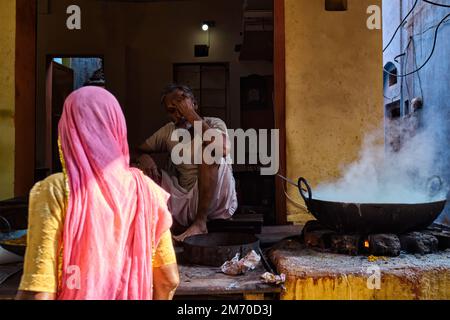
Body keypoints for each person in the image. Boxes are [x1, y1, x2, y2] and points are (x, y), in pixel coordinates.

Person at [16, 87, 179, 300]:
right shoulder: (146, 191)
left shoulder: (56, 191)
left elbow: (39, 292)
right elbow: (168, 280)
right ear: (117, 128)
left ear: (67, 130)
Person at [136, 84, 238, 242]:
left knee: (210, 150)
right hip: (185, 200)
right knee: (138, 168)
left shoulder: (214, 123)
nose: (178, 114)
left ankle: (200, 223)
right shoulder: (168, 131)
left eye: (182, 107)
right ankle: (163, 227)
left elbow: (222, 148)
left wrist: (191, 115)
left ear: (194, 105)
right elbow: (134, 150)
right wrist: (143, 156)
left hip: (218, 201)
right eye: (172, 110)